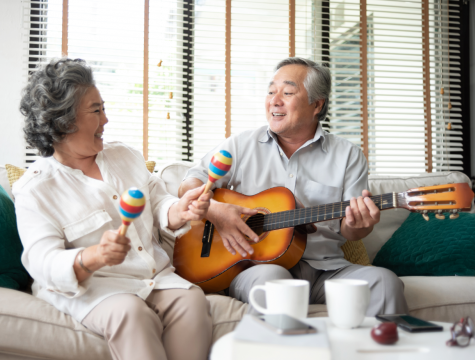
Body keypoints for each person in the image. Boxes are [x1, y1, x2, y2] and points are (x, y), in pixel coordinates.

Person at [14, 58, 213, 360]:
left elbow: (159, 202)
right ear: (64, 121)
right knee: (131, 312)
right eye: (96, 110)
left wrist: (180, 210)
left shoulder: (125, 156)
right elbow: (43, 262)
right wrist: (94, 256)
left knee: (191, 299)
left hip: (153, 278)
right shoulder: (36, 189)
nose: (106, 120)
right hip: (94, 289)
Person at [178, 57, 408, 316]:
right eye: (271, 91)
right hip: (256, 267)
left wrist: (358, 226)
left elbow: (350, 230)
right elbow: (189, 182)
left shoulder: (348, 155)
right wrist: (216, 211)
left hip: (327, 269)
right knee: (274, 283)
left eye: (287, 92)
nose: (274, 100)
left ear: (316, 105)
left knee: (385, 283)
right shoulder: (241, 145)